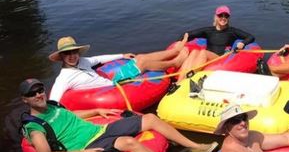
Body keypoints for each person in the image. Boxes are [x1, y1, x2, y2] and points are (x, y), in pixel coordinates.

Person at [20, 78, 218, 152]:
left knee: (149, 118)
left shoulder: (53, 105)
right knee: (128, 143)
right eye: (33, 93)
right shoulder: (35, 128)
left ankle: (195, 146)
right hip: (88, 143)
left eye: (40, 90)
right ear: (25, 100)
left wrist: (97, 110)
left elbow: (70, 116)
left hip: (99, 130)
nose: (39, 95)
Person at [49, 35, 190, 102]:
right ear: (61, 56)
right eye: (67, 53)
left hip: (113, 81)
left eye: (74, 52)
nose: (72, 56)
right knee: (143, 63)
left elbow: (98, 59)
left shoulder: (83, 61)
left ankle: (173, 52)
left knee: (139, 57)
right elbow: (53, 102)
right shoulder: (63, 78)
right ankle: (175, 63)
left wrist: (122, 55)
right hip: (115, 87)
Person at [176, 6, 255, 81]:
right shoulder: (208, 30)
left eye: (226, 16)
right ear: (216, 17)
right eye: (220, 15)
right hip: (207, 58)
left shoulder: (232, 31)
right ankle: (180, 81)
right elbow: (188, 34)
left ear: (228, 18)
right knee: (194, 52)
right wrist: (182, 41)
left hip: (220, 58)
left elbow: (250, 37)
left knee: (203, 52)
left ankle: (190, 77)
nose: (223, 18)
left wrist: (243, 43)